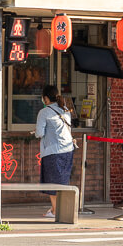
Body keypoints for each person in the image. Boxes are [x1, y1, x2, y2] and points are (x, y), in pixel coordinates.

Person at [35, 85, 75, 218]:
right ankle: (58, 208)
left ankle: (55, 211)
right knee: (63, 181)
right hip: (68, 149)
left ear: (45, 98)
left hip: (53, 151)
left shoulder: (44, 112)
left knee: (52, 182)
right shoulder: (65, 110)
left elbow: (39, 133)